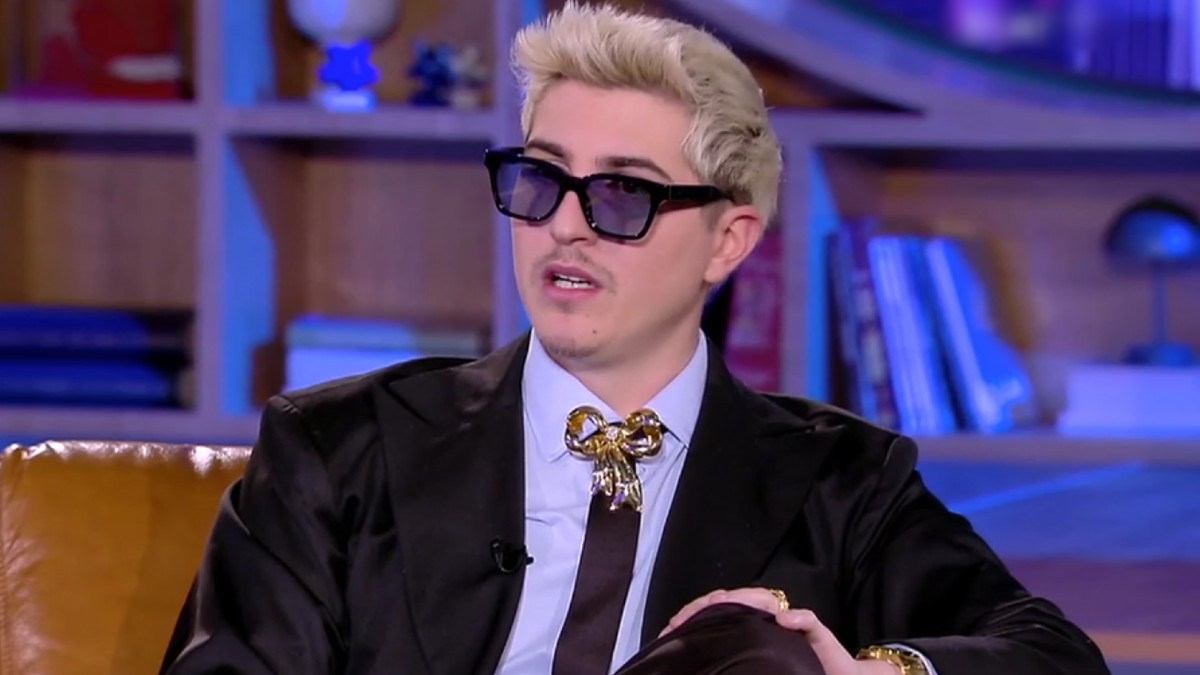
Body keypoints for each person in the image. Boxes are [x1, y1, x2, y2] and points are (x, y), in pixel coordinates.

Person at [159, 2, 1111, 674]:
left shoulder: (842, 483)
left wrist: (880, 673)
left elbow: (1053, 654)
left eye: (622, 193)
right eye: (541, 179)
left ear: (728, 240)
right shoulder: (339, 449)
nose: (565, 226)